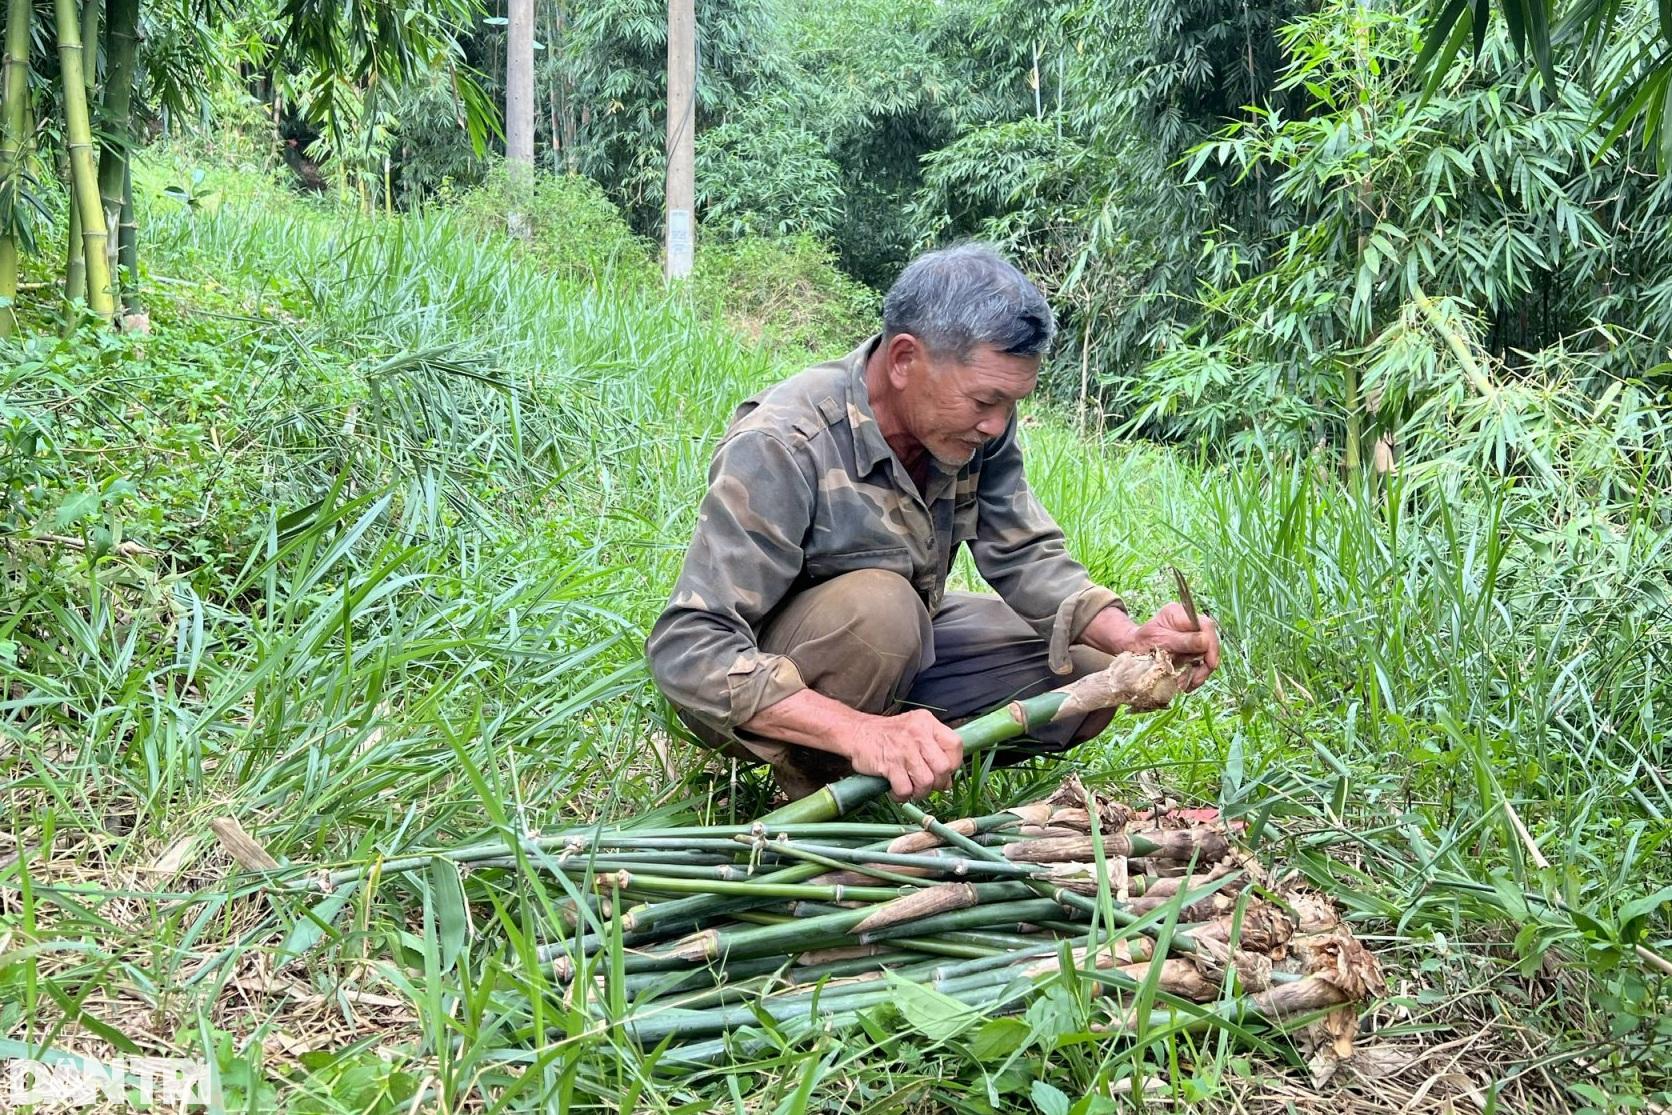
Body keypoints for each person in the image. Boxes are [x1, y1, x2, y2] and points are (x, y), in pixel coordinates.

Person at [646, 244, 1220, 802]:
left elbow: (1022, 551)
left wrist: (1133, 640)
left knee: (1088, 670)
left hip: (901, 645)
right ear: (903, 360)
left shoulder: (972, 428)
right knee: (883, 609)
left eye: (1011, 404)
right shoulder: (784, 443)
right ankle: (823, 802)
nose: (996, 424)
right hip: (766, 688)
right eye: (984, 401)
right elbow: (689, 648)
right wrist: (859, 732)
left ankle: (908, 756)